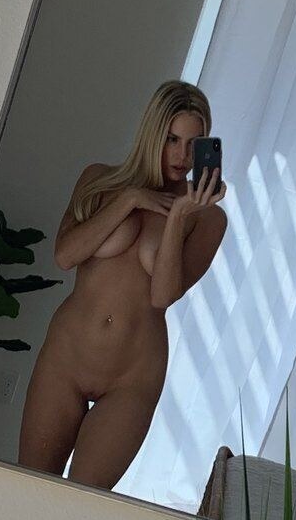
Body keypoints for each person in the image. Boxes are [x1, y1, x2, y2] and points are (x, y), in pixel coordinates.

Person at [17, 80, 227, 488]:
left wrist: (178, 216)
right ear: (152, 132)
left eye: (193, 143)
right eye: (172, 139)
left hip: (133, 378)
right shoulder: (99, 180)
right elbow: (65, 255)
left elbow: (162, 295)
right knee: (27, 488)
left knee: (84, 502)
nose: (182, 156)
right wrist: (130, 199)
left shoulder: (208, 219)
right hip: (66, 358)